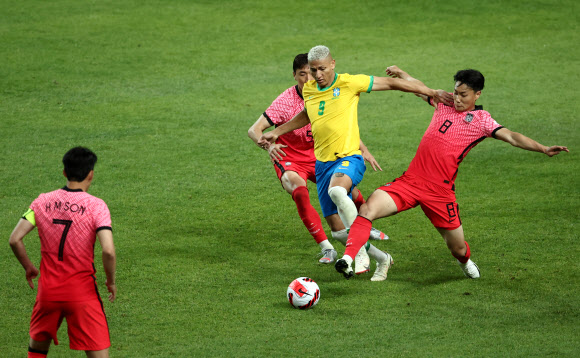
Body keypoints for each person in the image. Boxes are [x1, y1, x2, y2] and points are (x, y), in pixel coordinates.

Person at [335, 66, 569, 280]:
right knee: (367, 210)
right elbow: (419, 88)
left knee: (457, 248)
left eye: (463, 95)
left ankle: (465, 261)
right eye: (456, 92)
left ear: (477, 94)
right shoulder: (443, 101)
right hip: (411, 181)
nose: (457, 98)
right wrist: (403, 74)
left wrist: (543, 148)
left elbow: (512, 136)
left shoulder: (482, 121)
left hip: (440, 193)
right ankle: (348, 258)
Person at [259, 46, 453, 281]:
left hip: (349, 157)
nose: (317, 75)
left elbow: (391, 84)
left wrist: (431, 91)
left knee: (338, 191)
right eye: (312, 70)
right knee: (339, 232)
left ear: (333, 64)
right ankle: (383, 258)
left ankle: (359, 253)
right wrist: (277, 132)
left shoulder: (350, 83)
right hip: (322, 164)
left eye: (322, 69)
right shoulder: (310, 89)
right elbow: (309, 114)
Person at [248, 53, 387, 275]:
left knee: (345, 190)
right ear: (294, 75)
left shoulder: (324, 91)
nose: (307, 79)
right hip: (291, 157)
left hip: (320, 155)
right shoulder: (285, 101)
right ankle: (327, 248)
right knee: (300, 192)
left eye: (310, 73)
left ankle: (364, 225)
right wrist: (267, 145)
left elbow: (338, 126)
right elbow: (254, 130)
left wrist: (364, 149)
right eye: (301, 74)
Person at [9, 147, 117, 358]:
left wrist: (29, 267)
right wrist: (111, 281)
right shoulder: (97, 207)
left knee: (36, 351)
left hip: (48, 293)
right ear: (91, 174)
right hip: (82, 294)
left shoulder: (42, 201)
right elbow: (109, 251)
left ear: (64, 172)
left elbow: (14, 239)